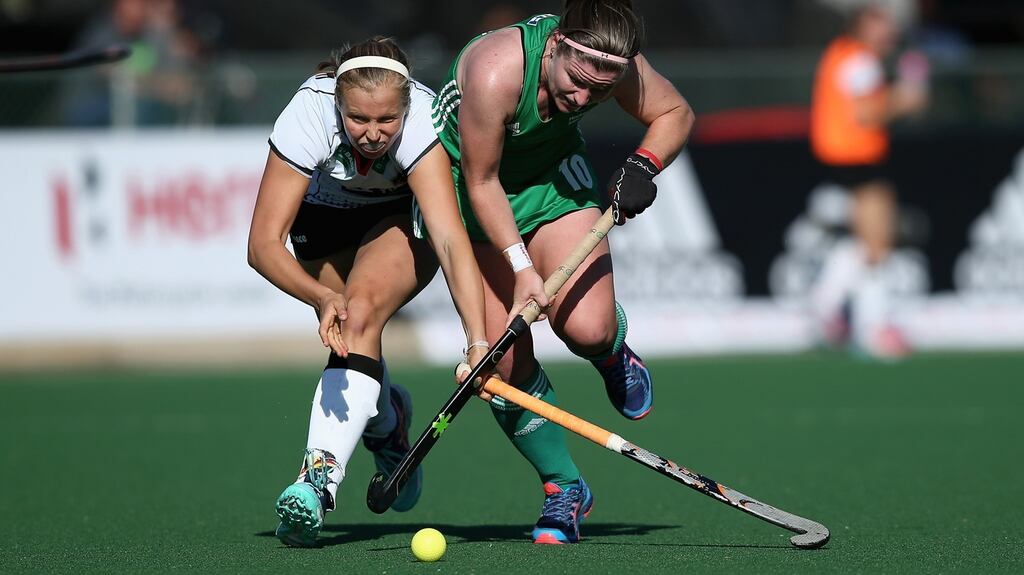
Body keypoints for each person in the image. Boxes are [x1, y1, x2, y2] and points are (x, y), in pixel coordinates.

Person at [434, 0, 694, 544]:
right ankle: (564, 488)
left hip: (552, 185)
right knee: (500, 364)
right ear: (556, 45)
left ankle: (611, 351)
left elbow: (675, 114)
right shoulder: (494, 70)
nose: (584, 98)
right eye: (577, 82)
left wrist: (643, 165)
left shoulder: (607, 61)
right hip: (471, 196)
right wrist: (521, 266)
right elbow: (481, 183)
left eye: (601, 92)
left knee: (585, 327)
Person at [247, 37, 487, 548]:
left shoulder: (423, 115)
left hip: (397, 217)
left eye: (386, 121)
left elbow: (448, 236)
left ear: (405, 106)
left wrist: (477, 339)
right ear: (338, 102)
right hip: (324, 217)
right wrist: (318, 296)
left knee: (357, 318)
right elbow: (263, 245)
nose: (374, 135)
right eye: (358, 120)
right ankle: (388, 422)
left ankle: (316, 485)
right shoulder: (309, 110)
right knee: (351, 336)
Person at [809, 2, 928, 359]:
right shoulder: (861, 61)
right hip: (858, 159)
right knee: (877, 244)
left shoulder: (843, 55)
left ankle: (825, 309)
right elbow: (867, 112)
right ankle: (871, 327)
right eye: (881, 26)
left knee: (865, 243)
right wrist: (906, 96)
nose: (890, 34)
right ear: (861, 28)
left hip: (844, 157)